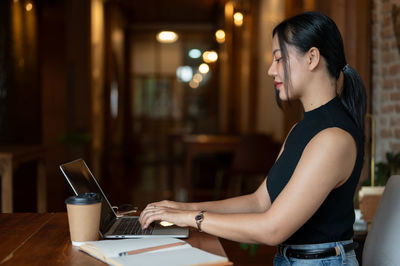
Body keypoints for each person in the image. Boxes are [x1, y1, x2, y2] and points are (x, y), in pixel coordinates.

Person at [139, 11, 366, 266]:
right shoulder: (301, 130)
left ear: (312, 57)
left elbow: (272, 229)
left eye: (279, 59)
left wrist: (194, 219)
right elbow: (260, 201)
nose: (271, 70)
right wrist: (182, 208)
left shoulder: (334, 138)